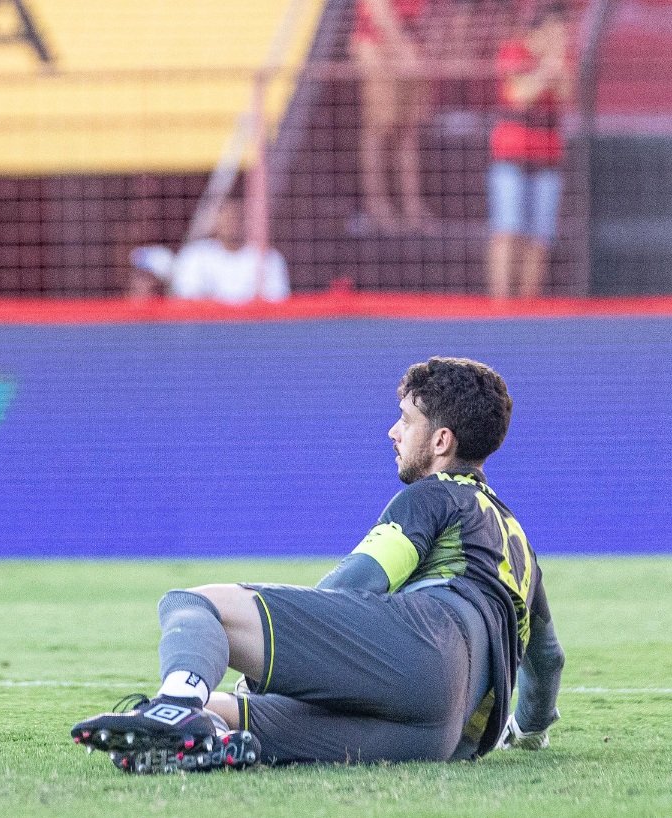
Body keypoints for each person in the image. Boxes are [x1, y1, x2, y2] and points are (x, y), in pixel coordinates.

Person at [72, 357, 563, 772]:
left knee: (195, 603)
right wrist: (529, 731)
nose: (393, 432)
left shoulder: (436, 497)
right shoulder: (521, 546)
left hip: (428, 651)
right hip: (444, 737)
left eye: (406, 420)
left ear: (440, 442)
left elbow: (356, 584)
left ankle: (174, 706)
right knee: (243, 715)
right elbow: (548, 660)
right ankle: (196, 739)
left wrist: (288, 659)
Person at [486, 1, 572, 298]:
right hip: (511, 157)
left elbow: (565, 94)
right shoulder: (514, 51)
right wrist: (544, 72)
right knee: (507, 230)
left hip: (547, 159)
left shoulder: (561, 60)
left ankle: (528, 302)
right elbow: (519, 95)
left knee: (539, 236)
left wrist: (555, 67)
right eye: (557, 31)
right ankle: (500, 304)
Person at [350, 0, 433, 231]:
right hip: (377, 43)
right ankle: (378, 208)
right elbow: (378, 9)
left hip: (411, 43)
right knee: (380, 128)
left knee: (408, 132)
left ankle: (413, 208)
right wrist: (402, 50)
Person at [131, 200, 289, 304]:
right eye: (226, 218)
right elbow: (187, 298)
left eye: (236, 218)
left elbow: (277, 301)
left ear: (246, 222)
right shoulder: (196, 255)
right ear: (216, 222)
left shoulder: (268, 258)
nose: (231, 223)